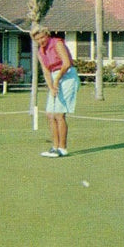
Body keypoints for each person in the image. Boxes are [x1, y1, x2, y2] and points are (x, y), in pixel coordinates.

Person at [31, 25, 78, 158]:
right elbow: (46, 71)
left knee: (59, 114)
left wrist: (57, 80)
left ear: (47, 35)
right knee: (50, 114)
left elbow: (67, 63)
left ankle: (63, 148)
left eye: (42, 37)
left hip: (67, 76)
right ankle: (54, 147)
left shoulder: (57, 43)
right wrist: (51, 87)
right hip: (53, 77)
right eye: (37, 39)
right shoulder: (40, 51)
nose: (41, 41)